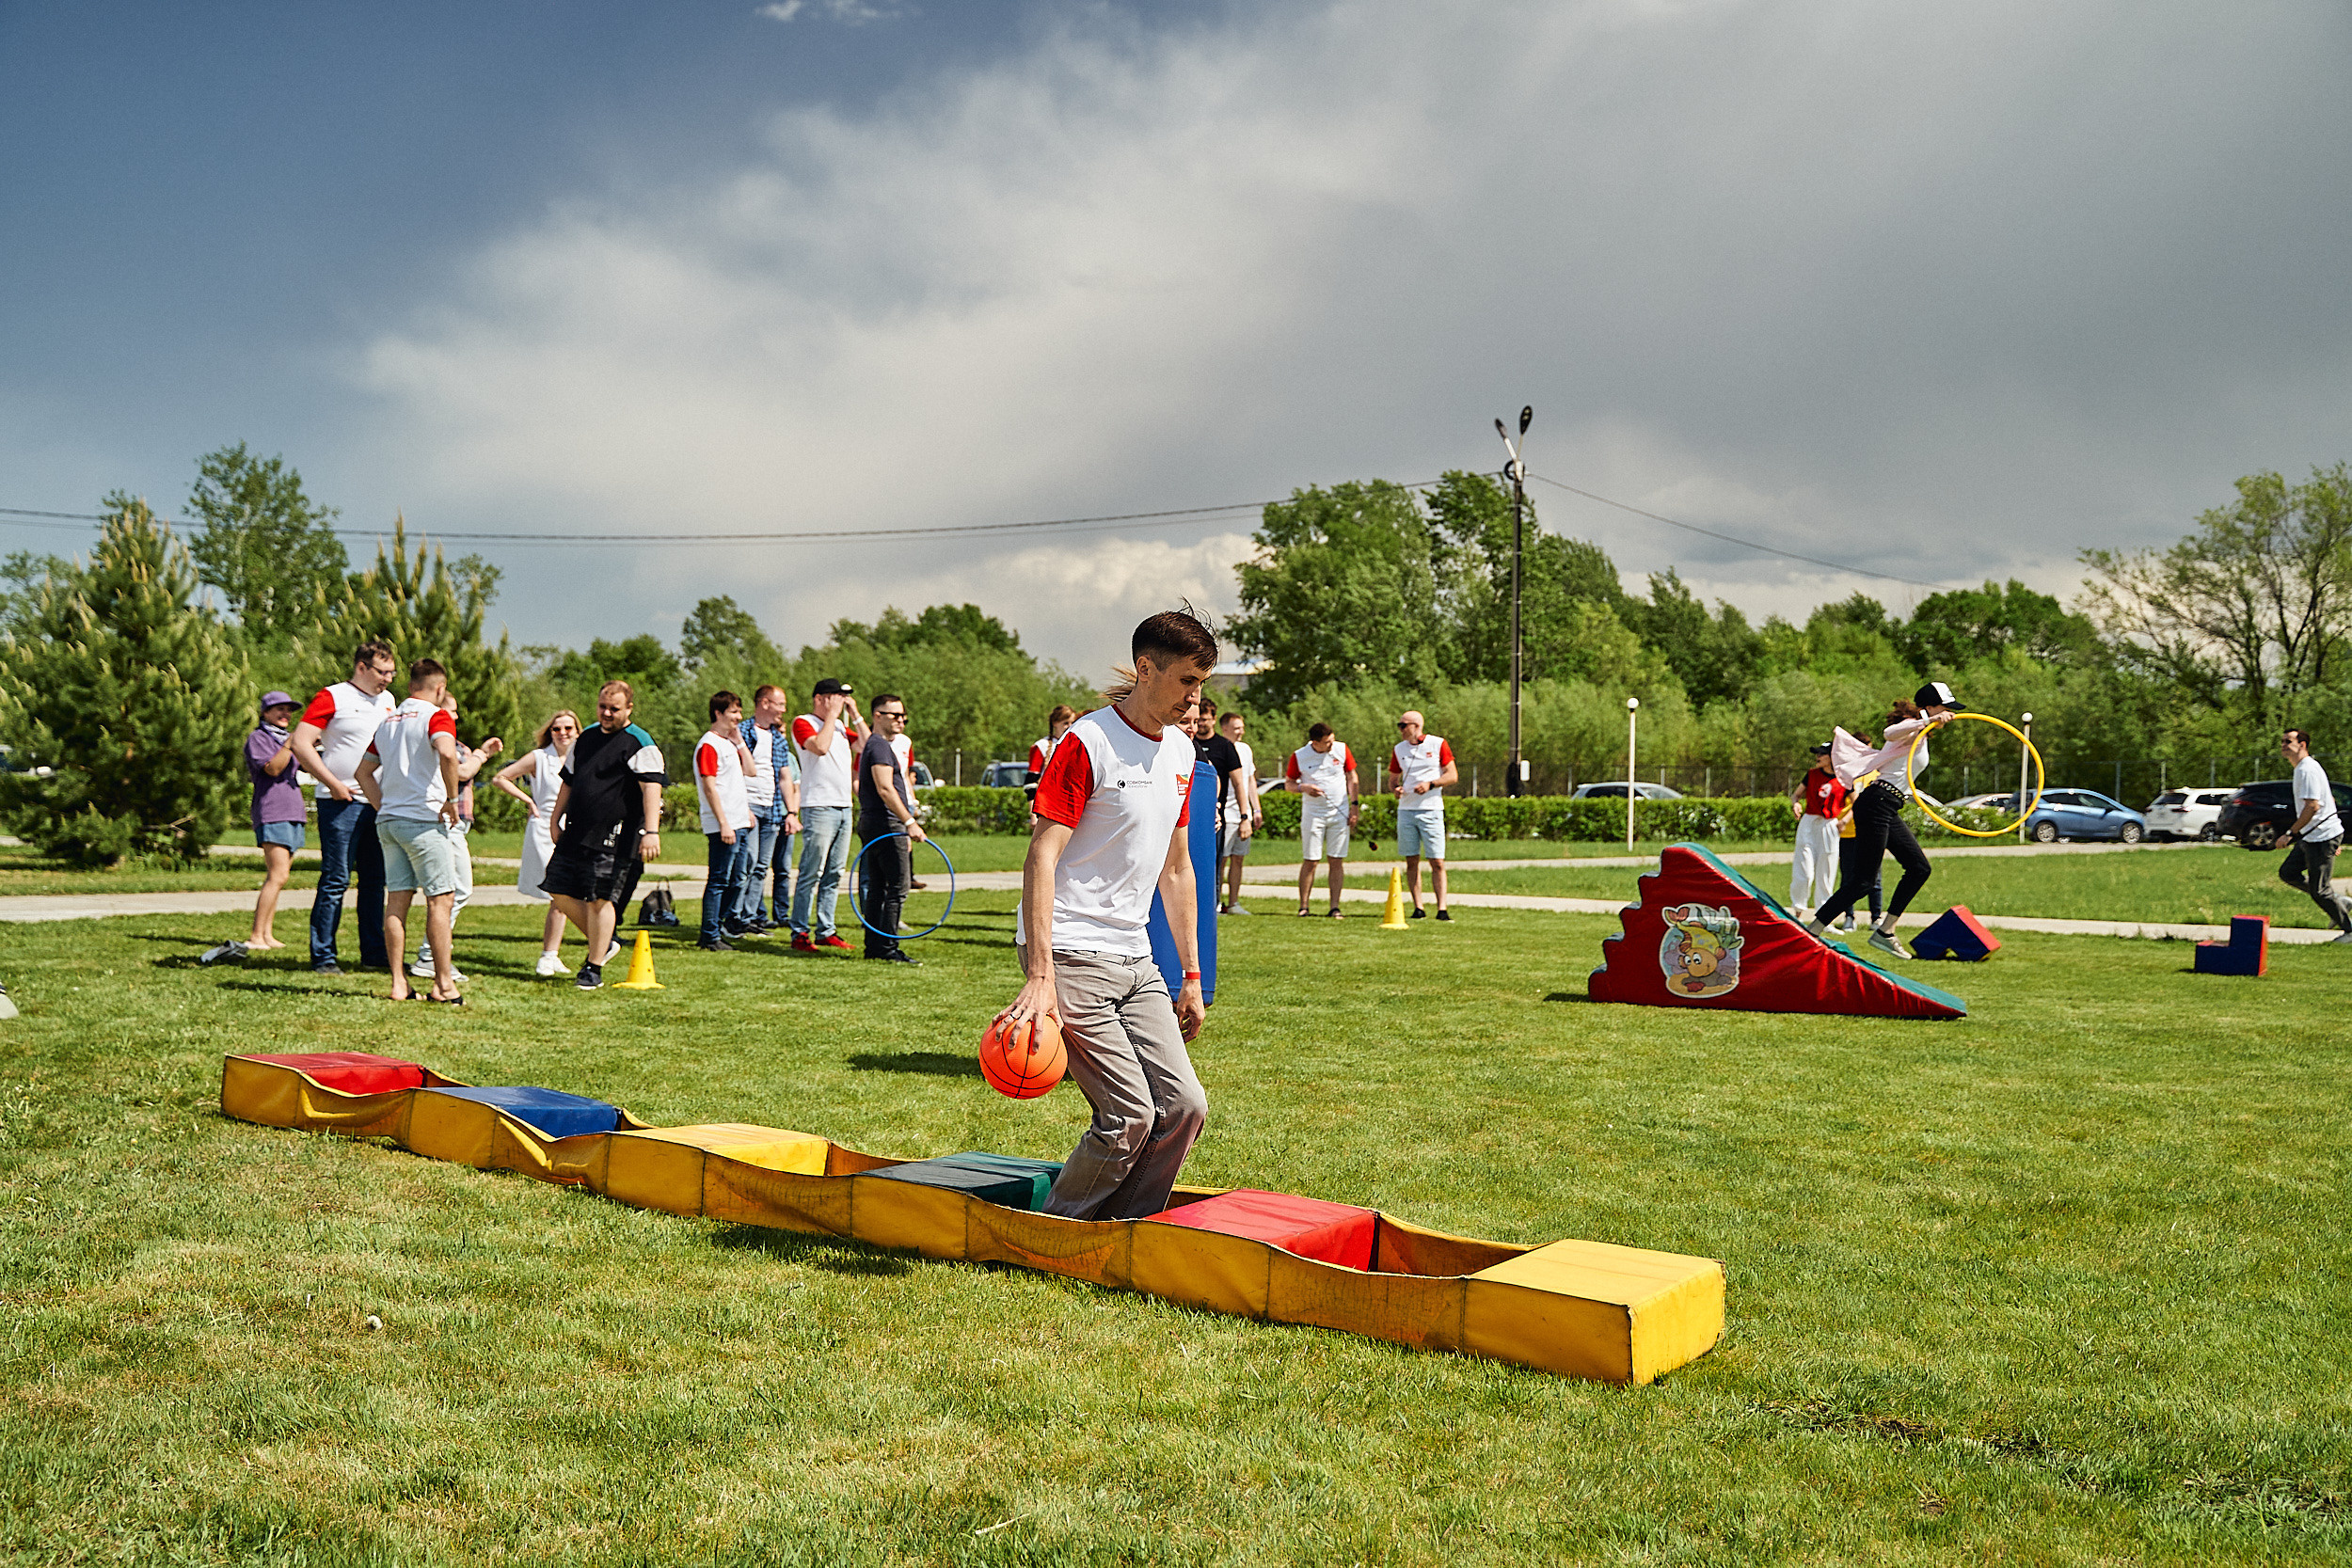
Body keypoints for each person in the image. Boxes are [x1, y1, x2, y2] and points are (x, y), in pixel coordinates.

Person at [995, 610, 1216, 1221]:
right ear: (1146, 670)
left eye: (1202, 684)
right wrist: (1041, 975)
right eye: (1186, 682)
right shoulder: (1087, 742)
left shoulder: (1179, 750)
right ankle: (1052, 1232)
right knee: (1129, 1113)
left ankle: (1123, 1229)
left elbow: (1177, 869)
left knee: (1185, 1106)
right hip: (1069, 950)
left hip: (1134, 957)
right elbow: (1042, 854)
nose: (1195, 698)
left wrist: (1191, 976)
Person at [1804, 682, 1963, 958]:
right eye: (1944, 708)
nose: (1948, 714)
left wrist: (1928, 722)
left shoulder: (1920, 736)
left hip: (1888, 805)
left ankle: (1885, 931)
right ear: (1930, 707)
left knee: (1919, 868)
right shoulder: (1912, 728)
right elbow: (1888, 732)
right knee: (1863, 881)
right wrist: (1929, 719)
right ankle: (1811, 932)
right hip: (1876, 802)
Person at [542, 680, 668, 990]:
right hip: (576, 831)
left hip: (617, 834)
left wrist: (651, 831)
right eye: (602, 707)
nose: (607, 713)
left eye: (614, 709)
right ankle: (605, 941)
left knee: (601, 897)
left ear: (629, 709)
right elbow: (568, 781)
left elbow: (651, 787)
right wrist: (555, 818)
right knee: (556, 887)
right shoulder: (585, 738)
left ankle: (593, 966)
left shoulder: (639, 741)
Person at [354, 659, 464, 1004]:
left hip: (389, 821)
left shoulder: (388, 721)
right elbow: (448, 753)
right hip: (424, 819)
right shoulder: (436, 716)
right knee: (441, 899)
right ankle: (444, 984)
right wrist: (452, 799)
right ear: (440, 688)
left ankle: (398, 983)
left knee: (397, 901)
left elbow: (363, 772)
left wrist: (384, 806)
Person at [290, 641, 398, 974]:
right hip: (341, 803)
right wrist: (333, 783)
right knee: (336, 879)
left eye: (393, 673)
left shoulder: (388, 701)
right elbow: (301, 743)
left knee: (374, 881)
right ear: (361, 668)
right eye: (382, 672)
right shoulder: (333, 696)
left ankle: (374, 954)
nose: (388, 680)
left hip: (376, 803)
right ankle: (323, 956)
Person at [408, 689, 501, 982]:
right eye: (453, 709)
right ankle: (429, 956)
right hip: (448, 822)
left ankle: (431, 954)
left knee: (449, 890)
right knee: (457, 889)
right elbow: (461, 771)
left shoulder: (430, 739)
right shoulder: (443, 741)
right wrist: (482, 754)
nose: (457, 716)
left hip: (450, 824)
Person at [493, 709, 580, 975]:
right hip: (543, 828)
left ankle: (551, 954)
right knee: (559, 892)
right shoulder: (540, 758)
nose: (563, 733)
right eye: (557, 729)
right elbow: (500, 778)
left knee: (563, 893)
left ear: (577, 731)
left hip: (572, 829)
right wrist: (528, 800)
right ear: (549, 732)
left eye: (568, 728)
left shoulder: (582, 759)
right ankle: (549, 954)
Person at [789, 677, 866, 954]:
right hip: (818, 805)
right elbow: (819, 747)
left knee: (834, 872)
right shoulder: (803, 721)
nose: (840, 702)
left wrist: (855, 715)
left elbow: (867, 747)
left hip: (844, 805)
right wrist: (832, 716)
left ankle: (826, 929)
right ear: (820, 698)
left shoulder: (842, 727)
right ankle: (799, 931)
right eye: (836, 696)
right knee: (812, 871)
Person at [857, 694, 927, 964]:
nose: (901, 720)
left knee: (878, 887)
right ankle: (887, 948)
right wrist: (909, 822)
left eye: (903, 716)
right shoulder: (880, 747)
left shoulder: (876, 745)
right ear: (877, 715)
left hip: (875, 823)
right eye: (894, 715)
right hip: (886, 824)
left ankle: (874, 946)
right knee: (896, 887)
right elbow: (885, 788)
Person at [693, 690, 757, 952]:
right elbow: (710, 786)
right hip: (724, 824)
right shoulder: (709, 744)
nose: (738, 718)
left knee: (738, 878)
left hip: (739, 821)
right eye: (733, 712)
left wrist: (739, 740)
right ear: (718, 713)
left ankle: (717, 926)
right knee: (719, 879)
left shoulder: (728, 743)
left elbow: (751, 771)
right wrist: (723, 823)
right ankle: (709, 935)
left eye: (740, 712)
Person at [2277, 727, 2352, 942]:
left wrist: (2290, 834)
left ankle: (2350, 929)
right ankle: (2338, 900)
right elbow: (2329, 801)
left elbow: (2312, 807)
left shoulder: (2306, 770)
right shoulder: (2303, 768)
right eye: (2282, 741)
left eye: (2287, 741)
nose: (2283, 745)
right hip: (2314, 836)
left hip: (2321, 837)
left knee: (2319, 891)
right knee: (2288, 873)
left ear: (2302, 744)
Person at [732, 685, 795, 936]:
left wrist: (791, 812)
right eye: (780, 705)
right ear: (765, 703)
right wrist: (741, 805)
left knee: (761, 867)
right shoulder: (743, 731)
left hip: (772, 808)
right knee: (747, 862)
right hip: (749, 806)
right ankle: (734, 916)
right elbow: (734, 769)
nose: (783, 710)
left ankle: (750, 917)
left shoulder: (778, 738)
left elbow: (784, 777)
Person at [245, 691, 305, 949]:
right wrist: (291, 743)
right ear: (265, 713)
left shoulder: (285, 740)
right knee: (277, 876)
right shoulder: (258, 738)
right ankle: (257, 935)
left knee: (282, 876)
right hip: (272, 812)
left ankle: (267, 934)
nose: (285, 714)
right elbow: (273, 768)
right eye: (278, 709)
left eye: (289, 710)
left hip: (293, 811)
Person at [1389, 709, 1457, 920]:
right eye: (1399, 725)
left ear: (1416, 726)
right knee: (1411, 860)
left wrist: (1431, 784)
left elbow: (1452, 775)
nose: (1400, 730)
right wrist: (1396, 789)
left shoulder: (1438, 744)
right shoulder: (1399, 749)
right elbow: (1392, 778)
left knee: (1437, 861)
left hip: (1431, 808)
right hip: (1406, 811)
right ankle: (1418, 907)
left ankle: (1442, 908)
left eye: (1403, 726)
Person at [1286, 721, 1359, 917]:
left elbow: (1352, 778)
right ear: (1315, 742)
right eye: (1327, 742)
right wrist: (1305, 788)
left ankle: (1334, 907)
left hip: (1340, 813)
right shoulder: (1299, 756)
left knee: (1336, 860)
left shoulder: (1341, 750)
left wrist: (1354, 806)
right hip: (1313, 814)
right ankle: (1304, 906)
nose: (1331, 745)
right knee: (1311, 860)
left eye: (1332, 740)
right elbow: (1289, 785)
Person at [1190, 697, 1249, 895]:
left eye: (1205, 719)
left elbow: (1240, 783)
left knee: (1213, 862)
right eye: (1198, 720)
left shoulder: (1225, 746)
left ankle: (1213, 901)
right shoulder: (1188, 742)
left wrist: (1245, 816)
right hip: (1187, 815)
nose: (1200, 724)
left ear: (1214, 719)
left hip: (1214, 817)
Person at [1788, 741, 1843, 924]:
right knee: (1804, 871)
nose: (1817, 757)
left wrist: (1845, 820)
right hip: (1809, 823)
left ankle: (1823, 919)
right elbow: (1796, 795)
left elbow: (1856, 801)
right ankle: (1797, 912)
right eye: (1817, 753)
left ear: (1832, 757)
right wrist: (1795, 803)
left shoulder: (1843, 778)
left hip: (1829, 825)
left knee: (1826, 873)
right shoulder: (1811, 774)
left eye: (1822, 754)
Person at [1216, 710, 1262, 915]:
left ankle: (1233, 903)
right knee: (1220, 860)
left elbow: (1250, 780)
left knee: (1238, 858)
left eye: (1242, 728)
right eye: (1236, 728)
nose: (1241, 732)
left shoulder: (1245, 749)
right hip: (1226, 814)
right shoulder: (1221, 747)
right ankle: (1217, 902)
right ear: (1224, 728)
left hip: (1244, 815)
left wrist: (1255, 809)